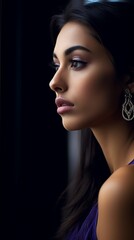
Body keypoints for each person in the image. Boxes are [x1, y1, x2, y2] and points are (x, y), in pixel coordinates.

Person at [49, 0, 134, 239]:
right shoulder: (102, 182)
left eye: (76, 63)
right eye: (56, 65)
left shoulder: (121, 190)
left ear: (128, 76)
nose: (54, 82)